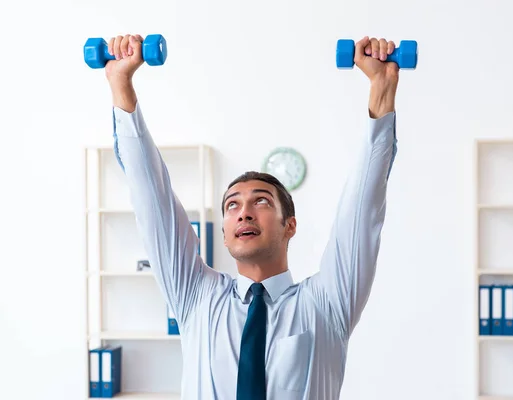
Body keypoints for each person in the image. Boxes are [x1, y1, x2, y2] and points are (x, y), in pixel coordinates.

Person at [107, 33, 400, 400]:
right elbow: (153, 201)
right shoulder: (197, 296)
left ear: (289, 225)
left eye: (260, 202)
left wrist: (382, 89)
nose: (243, 212)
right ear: (226, 233)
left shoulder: (326, 302)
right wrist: (121, 85)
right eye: (232, 205)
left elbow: (362, 209)